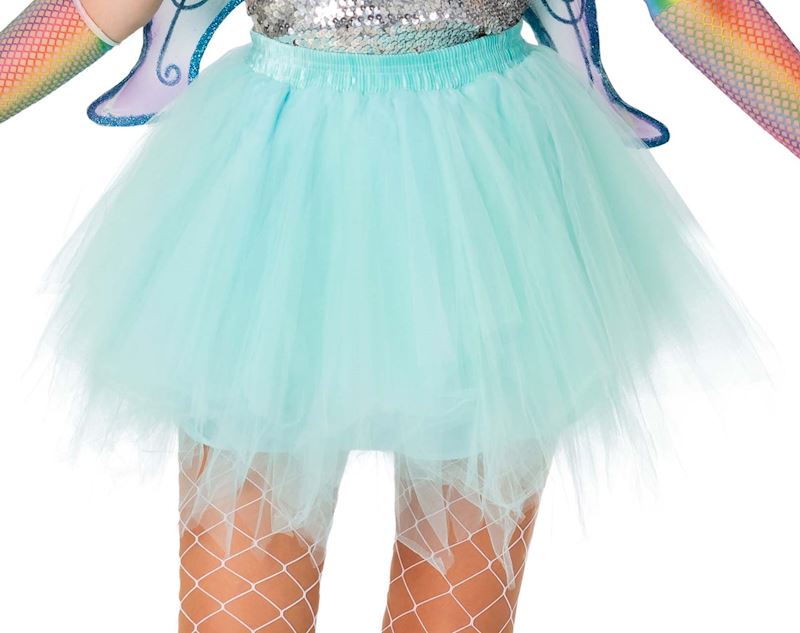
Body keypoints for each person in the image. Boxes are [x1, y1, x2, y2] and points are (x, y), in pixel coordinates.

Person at [1, 1, 796, 631]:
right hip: (280, 198)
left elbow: (695, 6)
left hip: (482, 197)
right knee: (236, 604)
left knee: (455, 605)